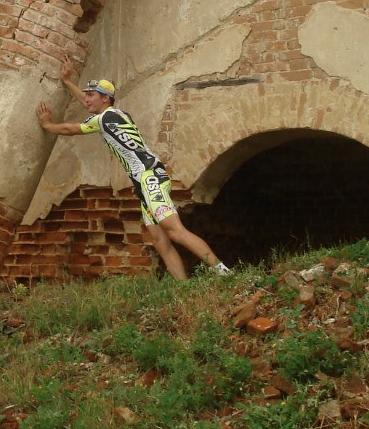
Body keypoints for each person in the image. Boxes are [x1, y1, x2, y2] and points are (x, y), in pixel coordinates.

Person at [35, 57, 231, 281]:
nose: (86, 99)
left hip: (149, 177)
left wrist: (47, 125)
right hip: (146, 180)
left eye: (91, 95)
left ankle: (224, 273)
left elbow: (70, 129)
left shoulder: (104, 118)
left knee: (176, 232)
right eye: (86, 94)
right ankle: (184, 287)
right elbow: (88, 103)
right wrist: (69, 82)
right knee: (160, 241)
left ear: (105, 98)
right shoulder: (112, 115)